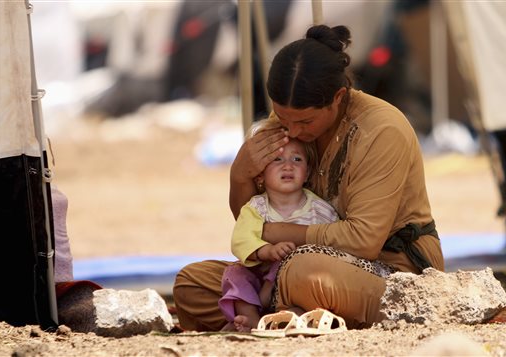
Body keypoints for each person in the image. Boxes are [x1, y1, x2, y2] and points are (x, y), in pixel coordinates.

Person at [173, 24, 444, 331]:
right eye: (283, 117)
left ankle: (281, 314)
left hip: (393, 274)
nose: (292, 131)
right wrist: (241, 175)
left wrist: (278, 233)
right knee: (191, 283)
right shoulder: (286, 124)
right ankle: (288, 315)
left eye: (305, 121)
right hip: (287, 269)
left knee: (303, 273)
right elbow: (254, 221)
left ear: (338, 97)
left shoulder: (381, 129)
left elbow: (363, 241)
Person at [218, 119, 338, 332]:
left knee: (304, 286)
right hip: (259, 275)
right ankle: (251, 319)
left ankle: (285, 318)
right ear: (261, 174)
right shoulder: (256, 207)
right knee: (234, 274)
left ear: (308, 172)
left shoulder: (320, 210)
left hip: (293, 282)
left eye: (297, 159)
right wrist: (267, 250)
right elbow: (241, 238)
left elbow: (332, 245)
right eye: (277, 159)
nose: (288, 165)